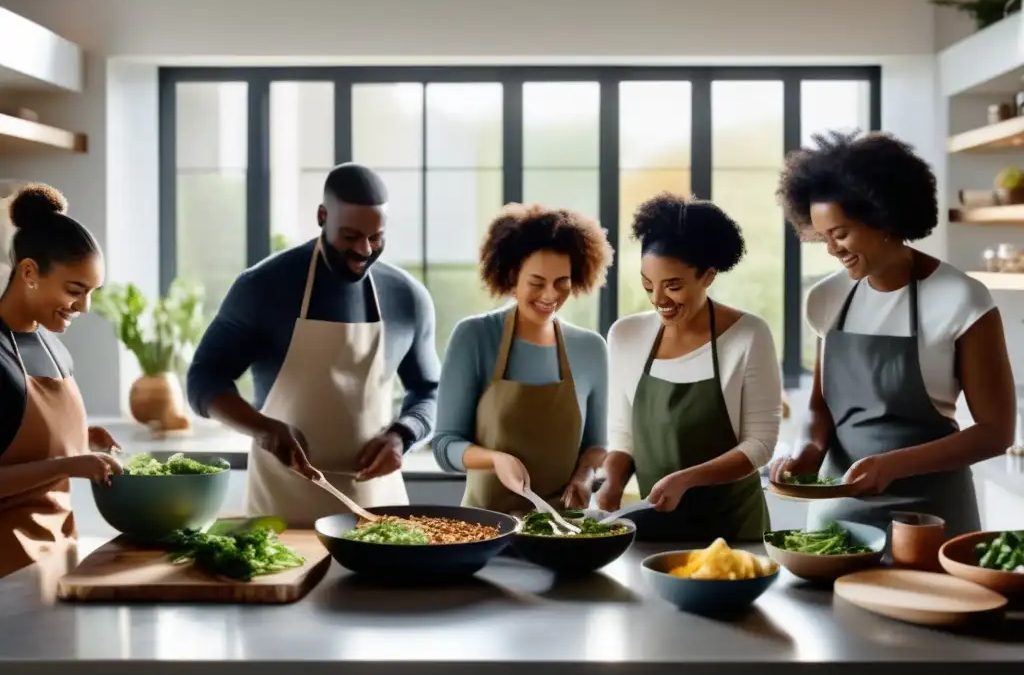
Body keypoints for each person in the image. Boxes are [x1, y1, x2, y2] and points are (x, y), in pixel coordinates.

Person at [769, 131, 1015, 538]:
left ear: (883, 218)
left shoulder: (961, 299)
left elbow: (995, 432)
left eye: (841, 233)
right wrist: (807, 450)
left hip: (931, 518)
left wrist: (892, 465)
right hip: (837, 514)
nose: (832, 249)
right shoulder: (828, 297)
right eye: (823, 236)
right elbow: (821, 406)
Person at [186, 163, 440, 525]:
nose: (364, 250)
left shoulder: (407, 296)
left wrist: (404, 434)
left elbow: (430, 390)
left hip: (376, 508)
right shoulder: (264, 287)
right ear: (322, 216)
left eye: (376, 237)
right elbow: (203, 380)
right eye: (350, 236)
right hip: (283, 505)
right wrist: (264, 429)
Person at [598, 194, 781, 542]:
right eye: (648, 284)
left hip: (734, 534)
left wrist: (687, 478)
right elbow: (623, 435)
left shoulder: (748, 335)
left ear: (708, 277)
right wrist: (611, 483)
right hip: (653, 531)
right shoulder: (626, 336)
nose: (658, 300)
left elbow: (759, 444)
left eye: (674, 286)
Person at [432, 203, 614, 514]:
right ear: (512, 277)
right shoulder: (474, 337)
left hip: (564, 530)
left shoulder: (591, 348)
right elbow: (445, 445)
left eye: (562, 283)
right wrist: (495, 459)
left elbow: (596, 447)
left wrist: (584, 478)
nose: (550, 296)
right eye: (537, 282)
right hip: (487, 529)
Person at [0, 184, 123, 578]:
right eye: (75, 290)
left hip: (57, 555)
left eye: (91, 293)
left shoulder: (51, 345)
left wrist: (84, 439)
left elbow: (21, 446)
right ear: (30, 272)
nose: (84, 307)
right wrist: (71, 463)